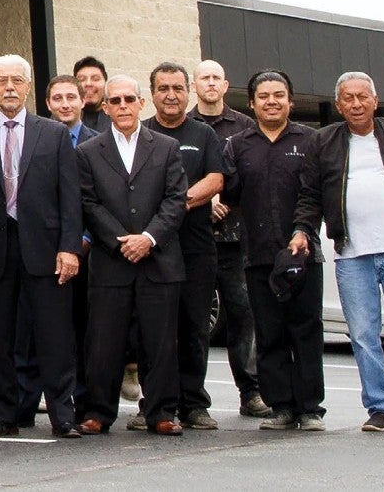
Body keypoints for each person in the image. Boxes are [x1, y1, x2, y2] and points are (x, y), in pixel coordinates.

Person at [295, 71, 384, 433]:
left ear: (375, 100)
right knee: (363, 335)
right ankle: (379, 407)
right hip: (352, 255)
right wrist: (302, 230)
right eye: (348, 98)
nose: (356, 104)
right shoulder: (324, 141)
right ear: (339, 104)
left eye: (363, 96)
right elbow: (309, 195)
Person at [0, 54, 83, 438]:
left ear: (30, 86)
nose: (10, 88)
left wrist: (70, 247)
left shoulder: (52, 134)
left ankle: (62, 415)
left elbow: (71, 198)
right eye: (1, 81)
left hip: (47, 248)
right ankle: (4, 415)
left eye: (17, 80)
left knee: (54, 335)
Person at [74, 75, 188, 436]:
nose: (122, 106)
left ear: (142, 103)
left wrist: (149, 238)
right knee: (104, 342)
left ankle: (161, 412)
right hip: (111, 262)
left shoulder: (167, 147)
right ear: (105, 107)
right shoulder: (88, 152)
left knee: (160, 342)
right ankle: (98, 412)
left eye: (129, 99)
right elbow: (88, 202)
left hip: (159, 260)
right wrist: (121, 240)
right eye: (115, 101)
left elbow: (175, 200)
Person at [221, 69, 328, 432]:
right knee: (269, 333)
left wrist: (303, 230)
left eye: (278, 94)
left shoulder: (312, 140)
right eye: (263, 96)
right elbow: (231, 195)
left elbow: (316, 195)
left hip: (303, 254)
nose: (271, 101)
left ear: (290, 101)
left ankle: (310, 408)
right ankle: (281, 406)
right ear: (251, 103)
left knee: (306, 330)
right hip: (257, 256)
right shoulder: (238, 145)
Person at [142, 62, 228, 432]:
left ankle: (194, 403)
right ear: (153, 93)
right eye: (163, 89)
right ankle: (157, 404)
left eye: (178, 88)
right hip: (154, 247)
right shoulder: (142, 132)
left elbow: (216, 177)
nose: (171, 95)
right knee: (155, 329)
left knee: (194, 326)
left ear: (188, 92)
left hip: (195, 246)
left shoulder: (204, 134)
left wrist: (175, 203)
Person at [191, 60, 269, 419]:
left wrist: (229, 200)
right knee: (195, 322)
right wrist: (205, 203)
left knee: (243, 316)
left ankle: (251, 393)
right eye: (204, 78)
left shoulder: (245, 127)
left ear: (225, 86)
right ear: (195, 85)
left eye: (216, 78)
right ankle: (193, 400)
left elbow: (253, 178)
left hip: (238, 240)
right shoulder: (184, 126)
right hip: (195, 238)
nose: (210, 83)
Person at [45, 76, 93, 145]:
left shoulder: (99, 143)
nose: (65, 105)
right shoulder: (35, 141)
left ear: (83, 101)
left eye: (71, 97)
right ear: (48, 104)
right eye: (57, 98)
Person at [73, 56, 111, 132]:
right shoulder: (63, 117)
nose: (88, 83)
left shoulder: (116, 117)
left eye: (95, 79)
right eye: (82, 79)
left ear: (105, 83)